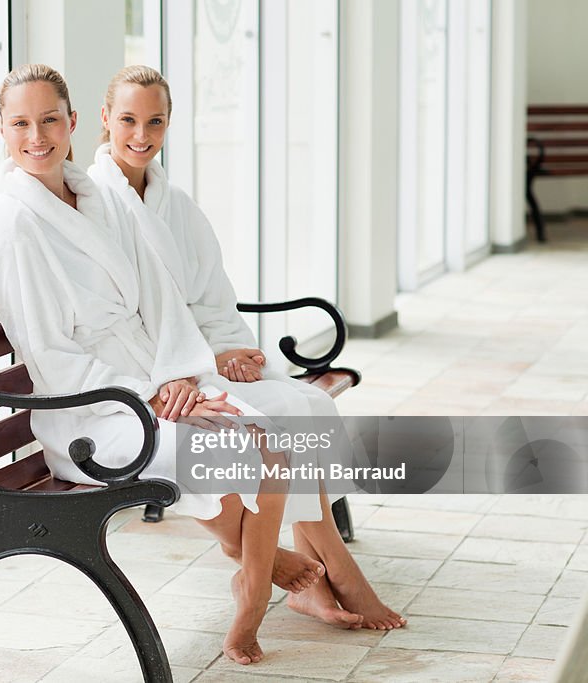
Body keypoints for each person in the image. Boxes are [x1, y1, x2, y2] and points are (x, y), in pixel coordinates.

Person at [0, 64, 393, 667]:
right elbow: (50, 357)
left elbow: (159, 301)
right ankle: (259, 580)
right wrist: (150, 394)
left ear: (70, 123)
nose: (36, 136)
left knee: (267, 440)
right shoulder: (16, 224)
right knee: (252, 444)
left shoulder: (91, 200)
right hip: (91, 416)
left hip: (147, 385)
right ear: (2, 129)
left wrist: (183, 377)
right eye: (20, 123)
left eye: (47, 120)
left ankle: (254, 585)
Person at [87, 63, 406, 643]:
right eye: (128, 119)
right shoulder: (95, 206)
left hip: (199, 357)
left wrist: (232, 347)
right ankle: (327, 572)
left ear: (169, 124)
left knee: (307, 407)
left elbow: (210, 294)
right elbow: (119, 319)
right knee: (276, 423)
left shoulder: (174, 203)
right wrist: (183, 370)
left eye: (155, 121)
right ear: (105, 118)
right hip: (162, 371)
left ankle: (320, 577)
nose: (141, 134)